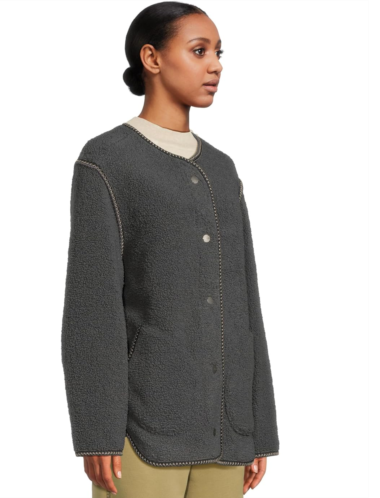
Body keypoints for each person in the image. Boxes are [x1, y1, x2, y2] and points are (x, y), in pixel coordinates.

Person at [61, 2, 280, 497]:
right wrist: (96, 431)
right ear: (152, 58)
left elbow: (246, 305)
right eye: (199, 51)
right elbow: (91, 309)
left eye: (219, 53)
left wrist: (259, 428)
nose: (215, 65)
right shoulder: (107, 161)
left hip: (227, 434)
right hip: (142, 431)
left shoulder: (222, 169)